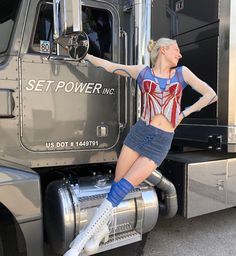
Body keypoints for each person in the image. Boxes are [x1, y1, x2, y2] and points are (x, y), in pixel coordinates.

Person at [64, 38, 217, 256]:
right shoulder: (142, 72)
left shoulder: (183, 73)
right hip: (139, 134)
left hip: (160, 142)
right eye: (176, 49)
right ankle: (100, 231)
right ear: (163, 50)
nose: (180, 54)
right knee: (116, 185)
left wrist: (184, 113)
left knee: (122, 188)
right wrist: (84, 55)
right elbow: (109, 66)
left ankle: (80, 243)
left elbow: (211, 94)